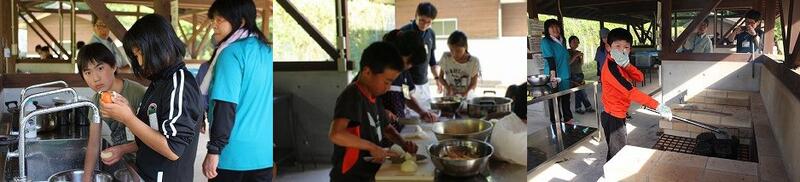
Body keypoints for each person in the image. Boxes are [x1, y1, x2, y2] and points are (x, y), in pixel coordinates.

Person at [102, 14, 202, 182]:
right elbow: (153, 134)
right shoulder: (159, 82)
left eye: (140, 53)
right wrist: (123, 149)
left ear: (158, 45)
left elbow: (173, 149)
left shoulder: (179, 84)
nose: (139, 62)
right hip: (147, 174)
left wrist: (128, 118)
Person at [198, 0, 274, 181]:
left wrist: (214, 150)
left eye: (220, 19)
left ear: (240, 22)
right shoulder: (268, 52)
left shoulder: (231, 54)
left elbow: (225, 105)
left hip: (233, 154)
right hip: (264, 154)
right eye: (213, 19)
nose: (214, 24)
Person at [328, 42, 418, 181]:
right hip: (351, 176)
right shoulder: (352, 95)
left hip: (370, 174)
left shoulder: (374, 97)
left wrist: (403, 144)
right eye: (386, 82)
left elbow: (387, 128)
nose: (388, 88)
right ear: (367, 72)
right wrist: (372, 147)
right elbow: (336, 134)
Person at [600, 28, 672, 161]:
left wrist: (627, 65)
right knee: (618, 155)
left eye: (626, 47)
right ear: (608, 47)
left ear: (630, 49)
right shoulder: (611, 68)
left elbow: (639, 77)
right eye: (618, 46)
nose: (622, 50)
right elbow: (630, 92)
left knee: (614, 151)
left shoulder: (620, 63)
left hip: (619, 112)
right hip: (613, 116)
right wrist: (657, 106)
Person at [78, 43, 146, 181]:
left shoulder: (138, 93)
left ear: (114, 66)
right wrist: (86, 178)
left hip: (145, 163)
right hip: (123, 162)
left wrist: (122, 149)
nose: (95, 78)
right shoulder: (96, 100)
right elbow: (93, 144)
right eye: (87, 72)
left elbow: (153, 140)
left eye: (100, 68)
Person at [379, 29, 438, 129]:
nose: (408, 66)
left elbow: (406, 96)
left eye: (411, 64)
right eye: (408, 62)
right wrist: (380, 111)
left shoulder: (403, 74)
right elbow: (363, 99)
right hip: (379, 130)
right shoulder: (377, 71)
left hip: (397, 130)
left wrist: (421, 112)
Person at [400, 2, 439, 112]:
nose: (424, 24)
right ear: (416, 15)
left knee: (426, 113)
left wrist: (437, 78)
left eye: (429, 22)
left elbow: (432, 59)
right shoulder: (403, 32)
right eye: (422, 20)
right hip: (406, 83)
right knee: (407, 114)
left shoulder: (431, 33)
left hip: (424, 83)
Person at [540, 19, 573, 124]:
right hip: (553, 75)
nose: (555, 29)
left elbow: (565, 58)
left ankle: (568, 119)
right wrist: (553, 78)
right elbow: (551, 61)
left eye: (557, 26)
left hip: (565, 75)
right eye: (552, 27)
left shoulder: (563, 40)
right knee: (554, 100)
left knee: (566, 98)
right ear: (547, 29)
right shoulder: (546, 41)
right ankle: (555, 122)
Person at [437, 30, 481, 98]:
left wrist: (465, 94)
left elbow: (473, 84)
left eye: (458, 51)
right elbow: (440, 78)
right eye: (451, 50)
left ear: (465, 47)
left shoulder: (474, 62)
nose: (454, 54)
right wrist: (448, 88)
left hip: (466, 96)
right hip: (449, 96)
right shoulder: (446, 57)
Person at [567, 36, 595, 114]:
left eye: (577, 42)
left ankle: (579, 108)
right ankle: (587, 106)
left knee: (579, 91)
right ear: (570, 43)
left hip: (580, 73)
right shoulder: (567, 52)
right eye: (574, 42)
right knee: (582, 91)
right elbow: (568, 63)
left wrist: (581, 57)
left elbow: (581, 64)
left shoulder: (578, 51)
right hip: (573, 74)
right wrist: (575, 56)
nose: (576, 44)